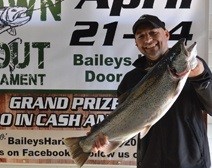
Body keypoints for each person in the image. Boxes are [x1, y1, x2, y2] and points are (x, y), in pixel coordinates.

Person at [91, 14, 212, 168]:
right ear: (136, 43)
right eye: (141, 36)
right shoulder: (130, 80)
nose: (148, 40)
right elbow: (126, 126)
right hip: (150, 162)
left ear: (166, 34)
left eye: (153, 33)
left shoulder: (195, 68)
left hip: (191, 162)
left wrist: (201, 77)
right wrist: (105, 142)